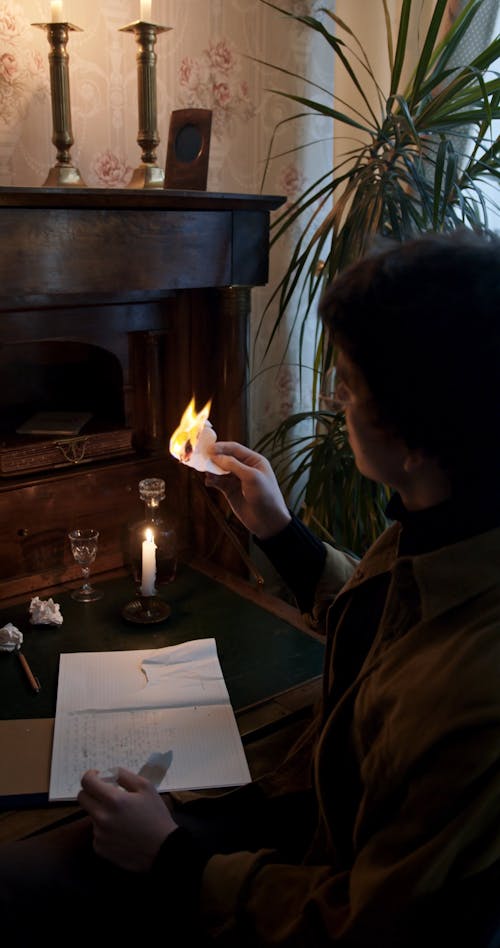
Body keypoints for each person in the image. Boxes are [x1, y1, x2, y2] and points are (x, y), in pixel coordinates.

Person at [1, 230, 499, 947]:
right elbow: (391, 625)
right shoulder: (447, 517)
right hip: (306, 810)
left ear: (415, 432)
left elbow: (367, 926)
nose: (334, 398)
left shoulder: (478, 697)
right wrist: (277, 529)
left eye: (350, 382)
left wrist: (172, 858)